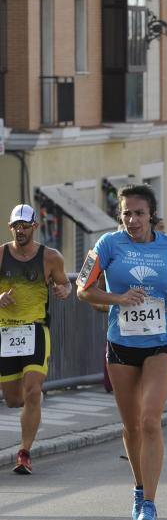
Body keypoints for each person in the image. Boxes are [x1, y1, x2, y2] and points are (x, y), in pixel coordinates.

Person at [77, 184, 167, 520]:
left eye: (139, 213)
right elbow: (83, 289)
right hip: (120, 344)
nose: (132, 220)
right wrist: (118, 299)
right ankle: (137, 489)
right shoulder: (107, 244)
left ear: (152, 216)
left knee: (150, 420)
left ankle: (149, 502)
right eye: (127, 213)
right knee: (131, 425)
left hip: (160, 343)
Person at [0, 204, 72, 475]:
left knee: (32, 390)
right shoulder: (1, 255)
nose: (20, 231)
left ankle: (24, 452)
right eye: (15, 226)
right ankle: (32, 400)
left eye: (25, 226)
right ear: (11, 228)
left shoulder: (50, 257)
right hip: (6, 332)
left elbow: (65, 283)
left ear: (34, 227)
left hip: (36, 330)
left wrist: (64, 290)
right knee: (13, 400)